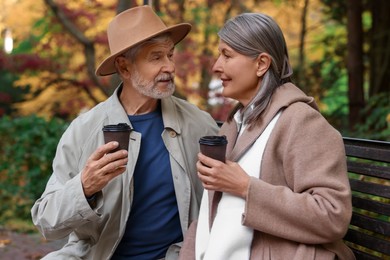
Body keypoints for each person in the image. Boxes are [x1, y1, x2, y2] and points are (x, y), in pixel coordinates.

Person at [31, 5, 219, 260]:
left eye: (170, 55)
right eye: (156, 57)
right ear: (125, 67)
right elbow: (46, 222)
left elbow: (222, 206)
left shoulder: (199, 125)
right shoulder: (84, 130)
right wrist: (84, 187)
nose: (170, 67)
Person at [179, 12, 355, 260]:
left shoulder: (301, 122)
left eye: (227, 55)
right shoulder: (234, 124)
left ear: (261, 64)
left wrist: (246, 187)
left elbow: (332, 215)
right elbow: (210, 213)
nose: (216, 66)